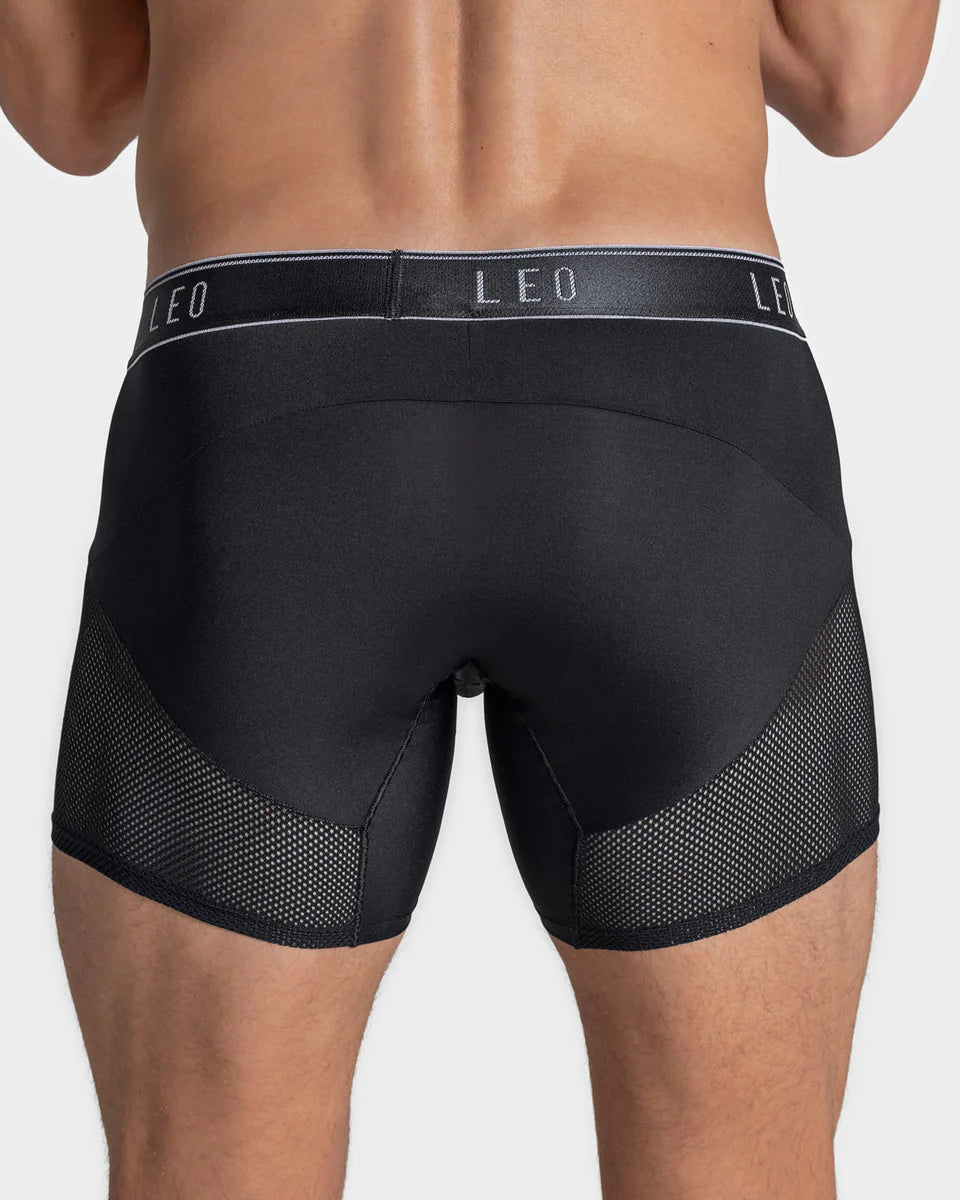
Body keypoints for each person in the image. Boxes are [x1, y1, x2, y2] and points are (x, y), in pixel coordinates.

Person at [0, 2, 941, 1197]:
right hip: (674, 412)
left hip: (272, 408)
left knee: (209, 1165)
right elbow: (855, 83)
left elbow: (74, 103)